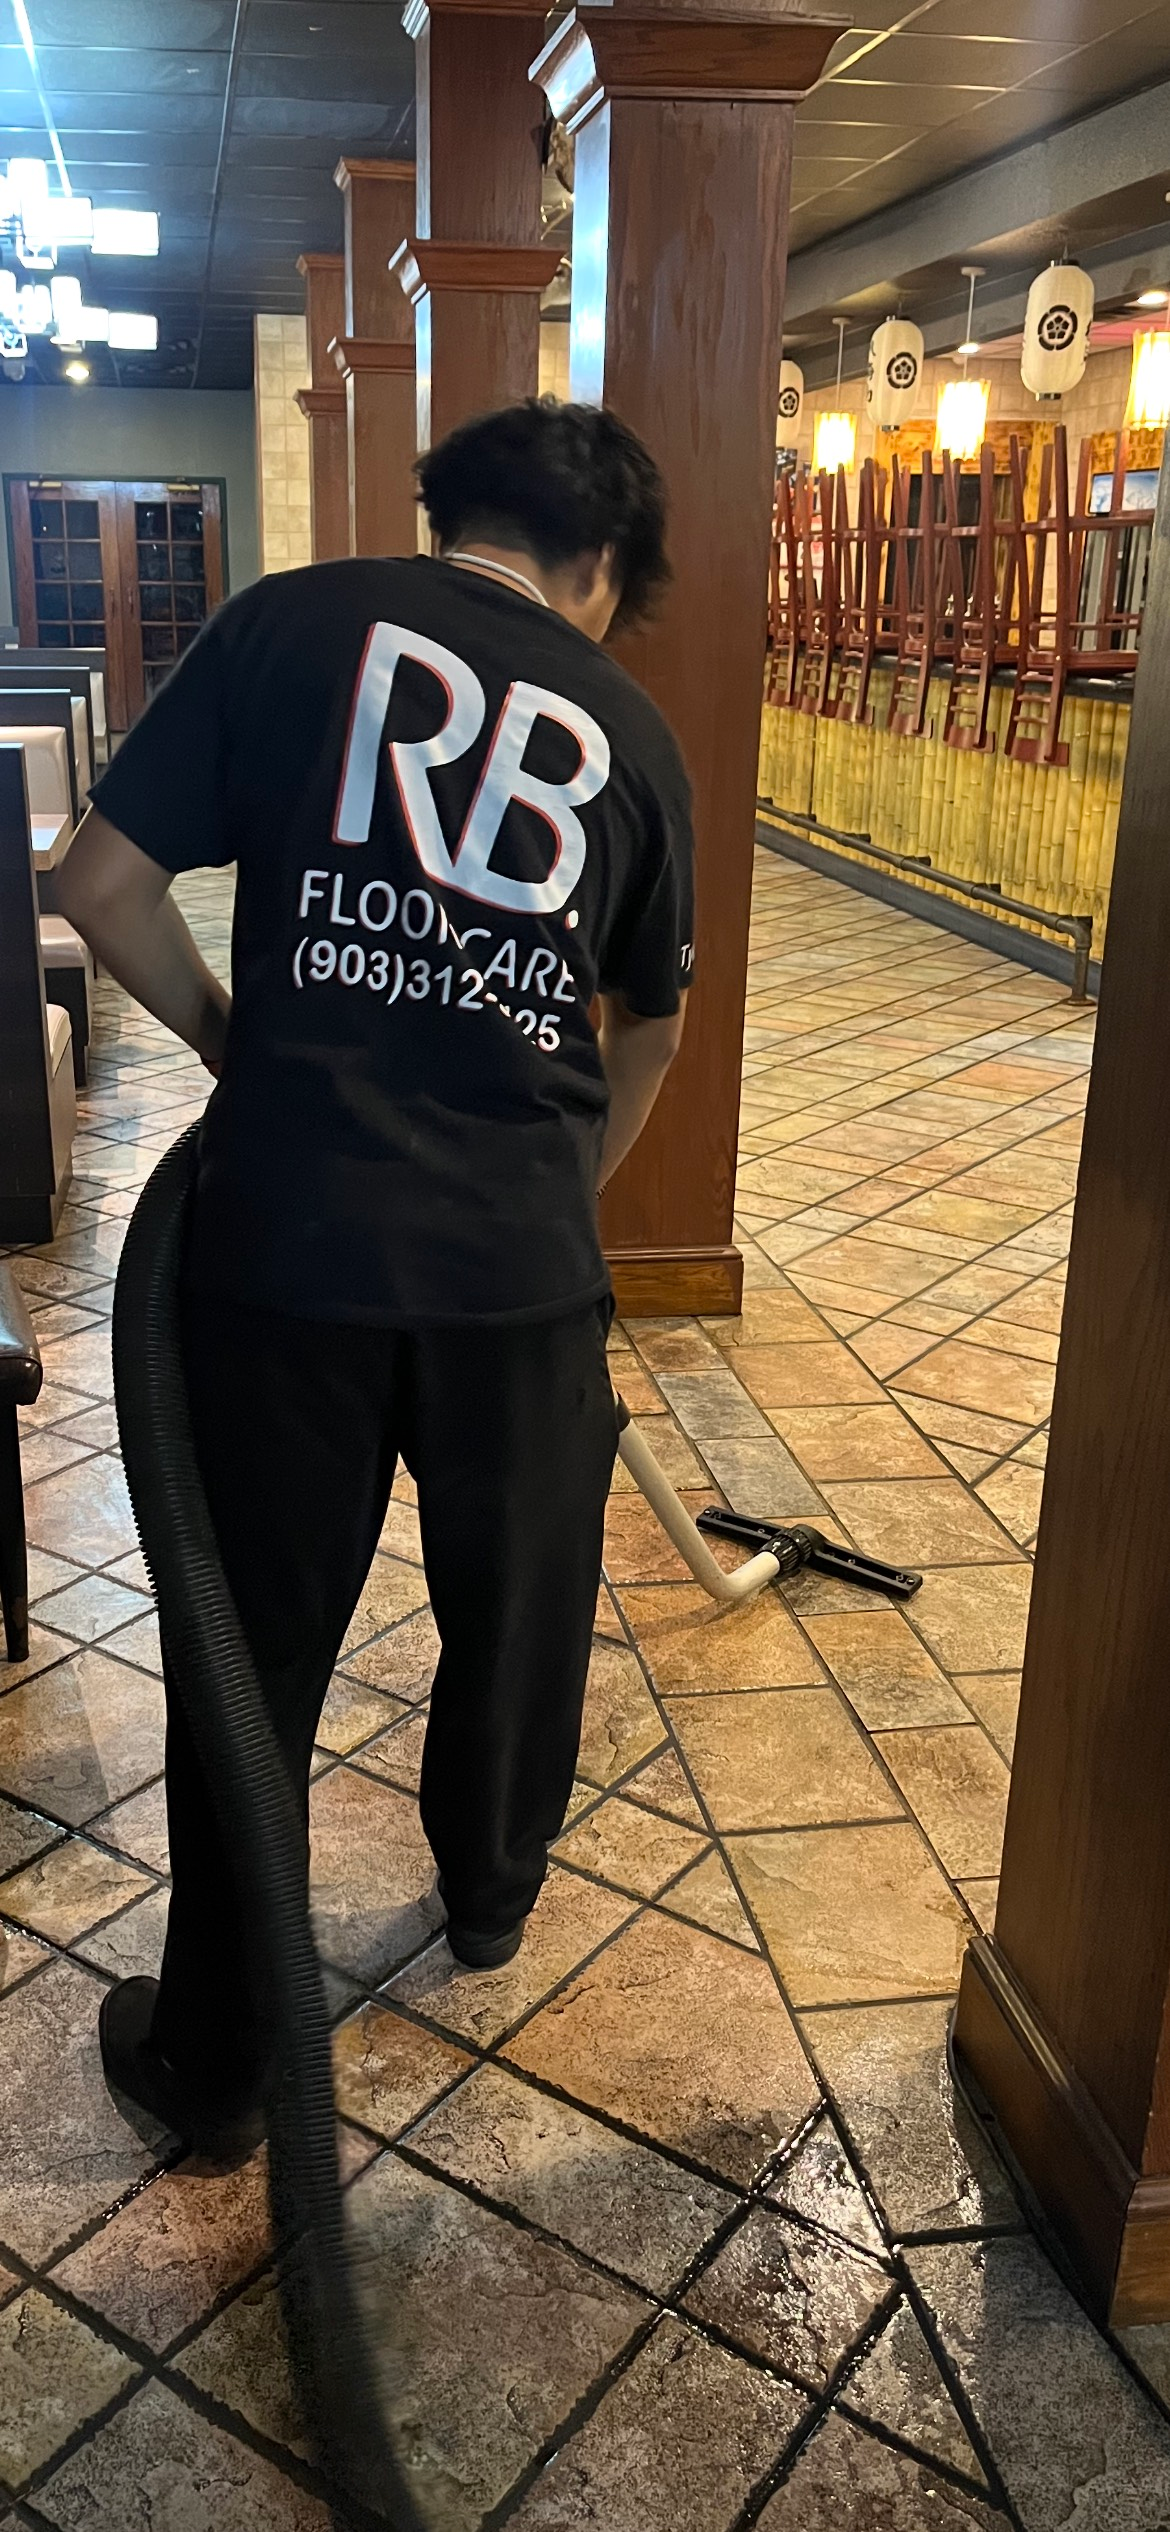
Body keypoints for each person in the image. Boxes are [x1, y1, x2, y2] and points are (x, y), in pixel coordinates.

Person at [59, 398, 693, 2158]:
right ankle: (488, 1895)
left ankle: (210, 2057)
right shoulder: (633, 730)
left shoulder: (284, 625)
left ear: (443, 512)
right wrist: (554, 1194)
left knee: (248, 1648)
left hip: (285, 1251)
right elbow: (651, 1029)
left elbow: (97, 884)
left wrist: (238, 1048)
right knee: (520, 1607)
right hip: (517, 1273)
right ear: (605, 568)